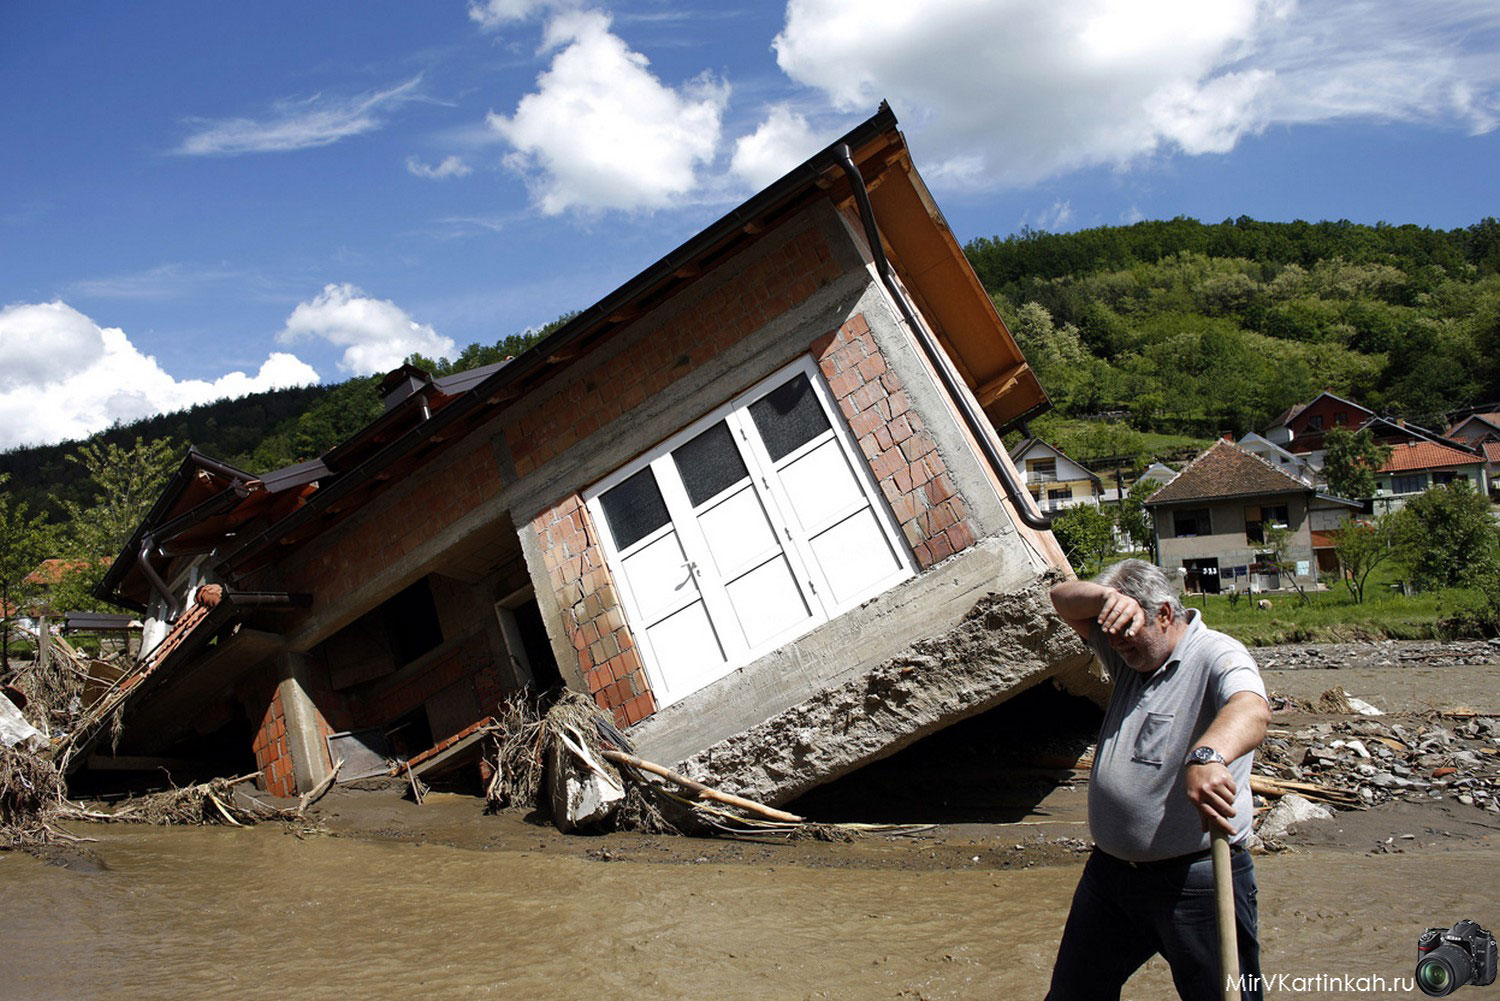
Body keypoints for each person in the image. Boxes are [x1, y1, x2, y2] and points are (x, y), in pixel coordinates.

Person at [1044, 559, 1272, 1001]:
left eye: (1127, 634)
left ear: (1165, 614)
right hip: (1111, 878)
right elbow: (1060, 600)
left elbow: (1251, 708)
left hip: (1196, 880)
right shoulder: (1129, 654)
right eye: (1110, 635)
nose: (1116, 646)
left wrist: (1208, 755)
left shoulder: (1218, 654)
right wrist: (1106, 600)